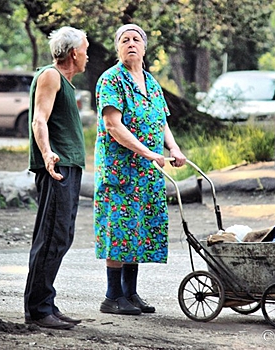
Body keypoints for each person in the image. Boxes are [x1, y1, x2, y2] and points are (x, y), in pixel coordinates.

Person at [93, 24, 186, 315]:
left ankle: (130, 293)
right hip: (120, 170)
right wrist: (147, 152)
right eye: (124, 39)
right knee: (119, 229)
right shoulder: (111, 80)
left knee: (139, 229)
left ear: (144, 48)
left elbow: (161, 122)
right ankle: (112, 297)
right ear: (117, 48)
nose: (131, 43)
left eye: (136, 39)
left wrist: (174, 148)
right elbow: (113, 125)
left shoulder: (151, 82)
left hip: (147, 172)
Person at [24, 26, 89, 330]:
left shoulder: (65, 82)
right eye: (85, 49)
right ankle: (38, 310)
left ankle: (46, 302)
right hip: (56, 168)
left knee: (60, 236)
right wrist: (48, 153)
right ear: (74, 52)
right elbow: (40, 118)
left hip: (68, 167)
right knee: (51, 236)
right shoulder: (50, 76)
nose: (87, 55)